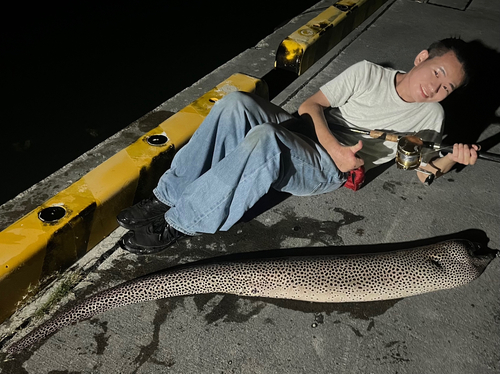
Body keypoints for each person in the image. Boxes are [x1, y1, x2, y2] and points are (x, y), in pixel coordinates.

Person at [117, 37, 479, 255]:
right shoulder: (368, 72)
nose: (436, 88)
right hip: (312, 132)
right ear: (421, 59)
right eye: (438, 73)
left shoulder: (431, 116)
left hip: (328, 168)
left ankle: (181, 221)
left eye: (448, 88)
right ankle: (169, 195)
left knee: (266, 141)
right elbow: (310, 106)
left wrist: (452, 160)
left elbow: (423, 169)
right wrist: (334, 143)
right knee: (235, 104)